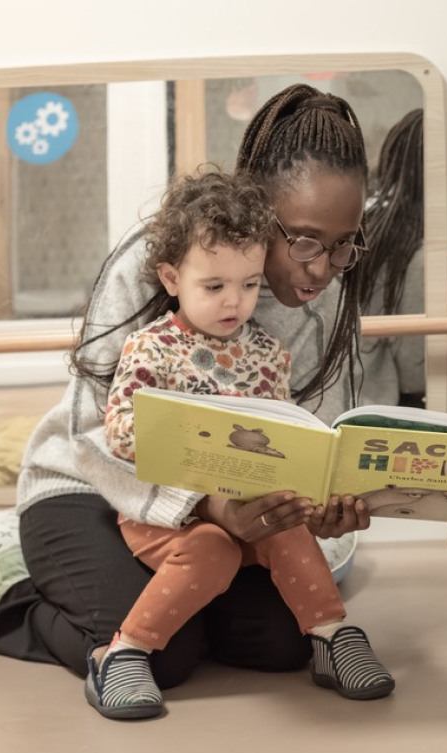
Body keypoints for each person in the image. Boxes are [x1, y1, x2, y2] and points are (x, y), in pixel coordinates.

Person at [0, 84, 384, 702]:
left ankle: (193, 606)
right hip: (91, 484)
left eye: (341, 244)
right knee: (164, 662)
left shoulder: (315, 315)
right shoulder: (158, 261)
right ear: (257, 211)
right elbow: (97, 432)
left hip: (226, 512)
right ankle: (16, 586)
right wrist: (208, 507)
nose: (322, 268)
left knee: (280, 646)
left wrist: (324, 506)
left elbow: (304, 442)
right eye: (303, 240)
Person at [88, 169, 393, 719]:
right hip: (167, 515)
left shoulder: (267, 353)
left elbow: (280, 435)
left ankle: (333, 637)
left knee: (292, 531)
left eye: (249, 284)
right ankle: (123, 653)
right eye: (215, 287)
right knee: (213, 550)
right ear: (171, 277)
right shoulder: (150, 348)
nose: (236, 302)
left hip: (248, 505)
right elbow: (120, 433)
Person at [356, 107, 426, 408]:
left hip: (357, 392)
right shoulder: (424, 253)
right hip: (399, 401)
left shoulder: (364, 224)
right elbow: (414, 372)